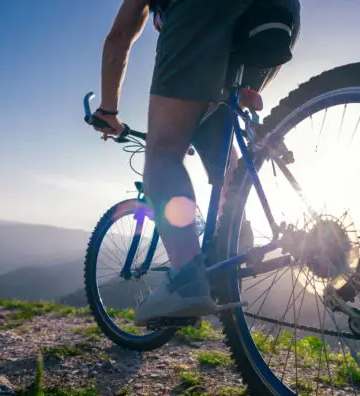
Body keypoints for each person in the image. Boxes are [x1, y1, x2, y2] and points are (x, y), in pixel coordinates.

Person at [90, 0, 301, 324]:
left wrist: (108, 111)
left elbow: (119, 35)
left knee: (162, 155)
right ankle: (233, 236)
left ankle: (188, 279)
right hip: (279, 15)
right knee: (213, 120)